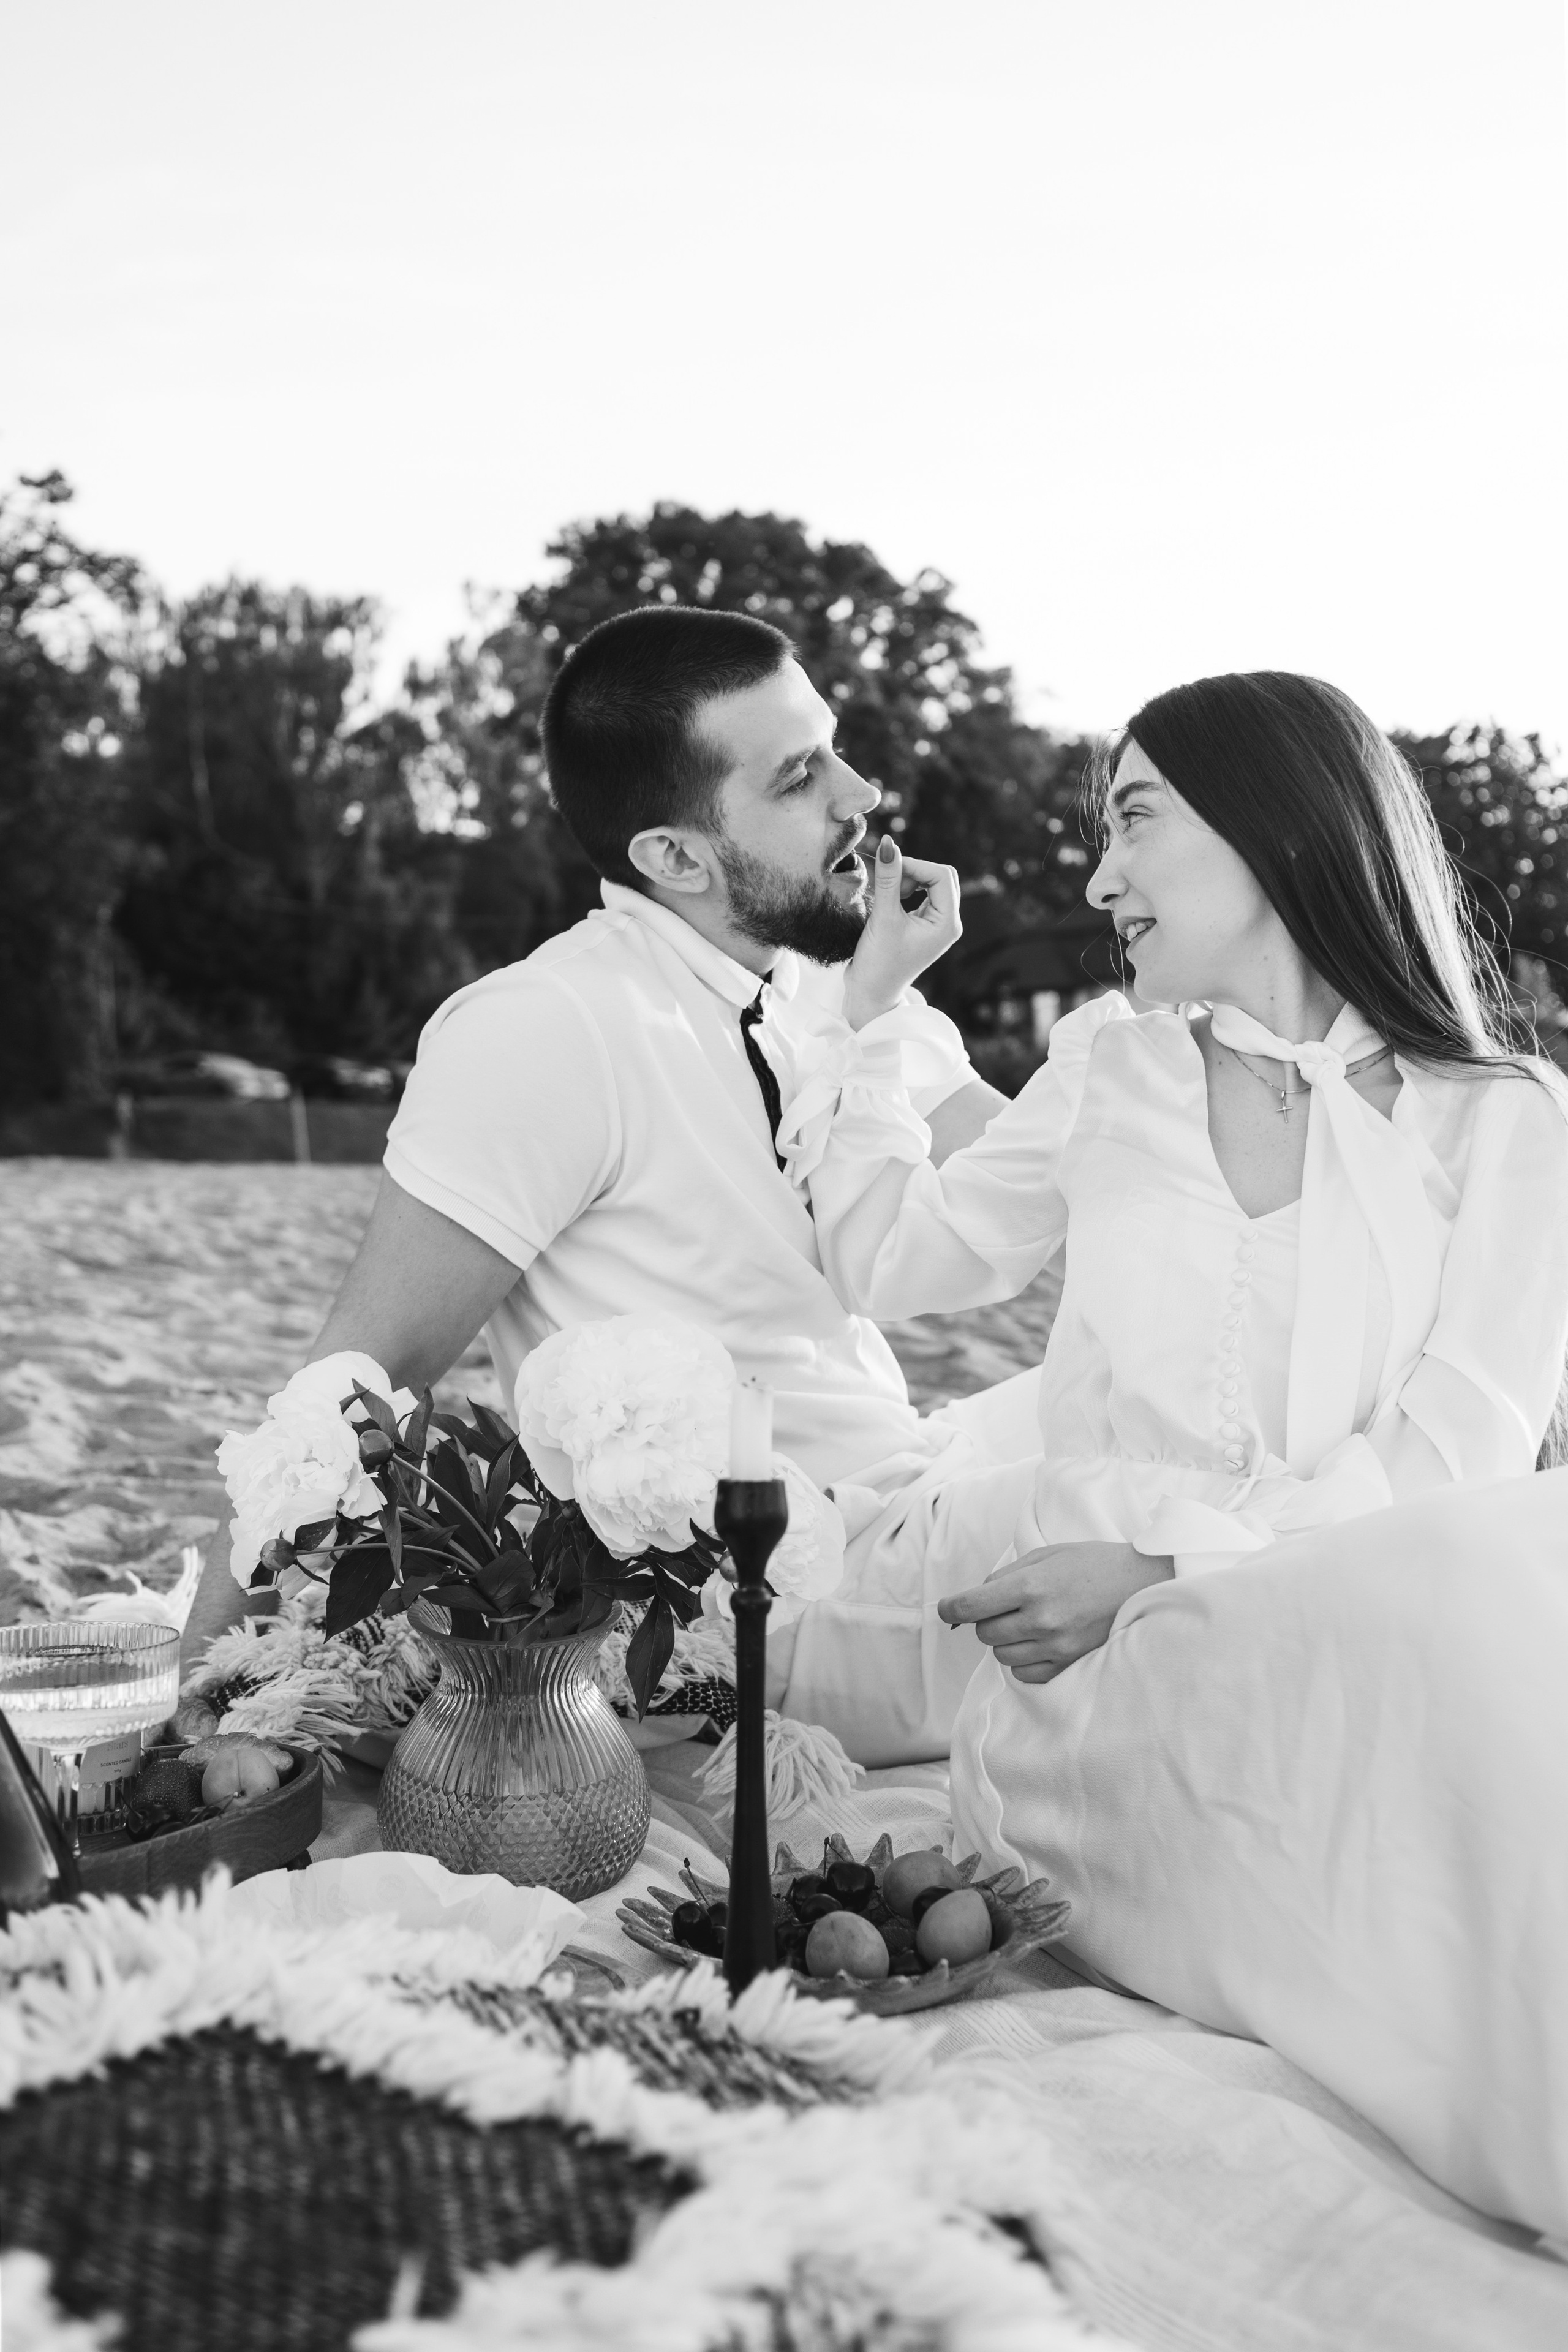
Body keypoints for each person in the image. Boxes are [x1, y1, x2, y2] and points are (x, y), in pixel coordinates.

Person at [781, 668, 1568, 2237]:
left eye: (1133, 819)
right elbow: (893, 1262)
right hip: (1107, 1680)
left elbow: (1456, 1456)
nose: (1096, 876)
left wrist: (1162, 1557)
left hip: (1342, 1615)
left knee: (1488, 1575)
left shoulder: (1509, 1118)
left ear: (1275, 832)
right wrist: (874, 1012)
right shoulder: (1101, 1065)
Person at [183, 604, 1047, 1752]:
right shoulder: (549, 1028)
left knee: (1205, 1452)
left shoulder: (830, 983)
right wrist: (206, 1681)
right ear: (675, 856)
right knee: (1196, 1530)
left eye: (835, 747)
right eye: (800, 778)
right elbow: (366, 1373)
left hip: (908, 1493)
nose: (862, 793)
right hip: (775, 1596)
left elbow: (1044, 1169)